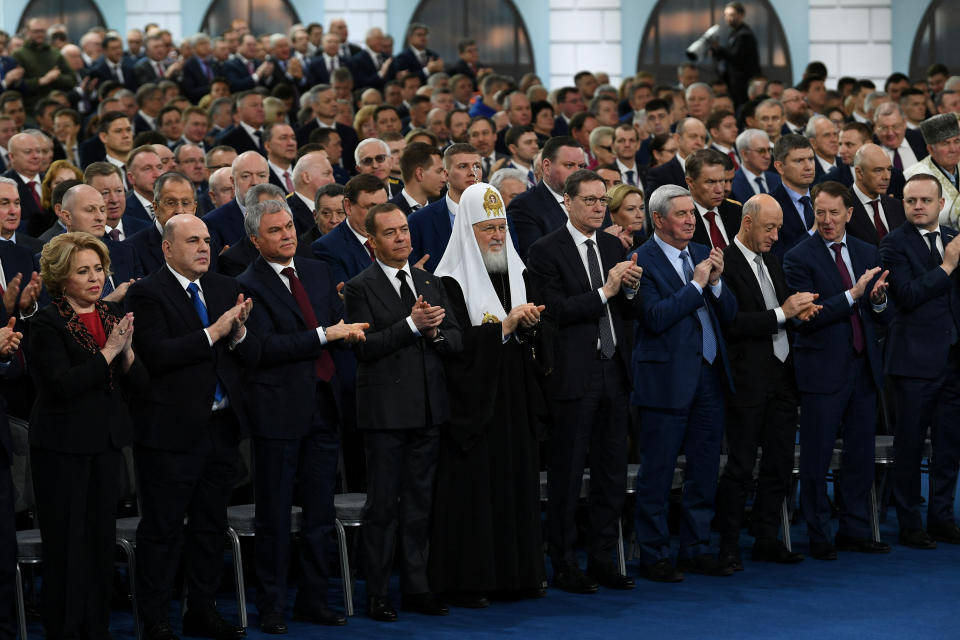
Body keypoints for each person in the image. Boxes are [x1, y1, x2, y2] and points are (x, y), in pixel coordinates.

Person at [236, 198, 367, 633]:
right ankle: (272, 605)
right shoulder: (248, 284)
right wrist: (323, 335)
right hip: (277, 414)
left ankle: (315, 599)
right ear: (256, 240)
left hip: (324, 407)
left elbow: (334, 325)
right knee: (273, 516)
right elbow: (262, 350)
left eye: (290, 226)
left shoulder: (316, 271)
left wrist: (345, 332)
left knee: (318, 514)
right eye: (275, 231)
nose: (287, 235)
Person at [126, 214, 259, 640]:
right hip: (169, 434)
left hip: (220, 428)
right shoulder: (147, 293)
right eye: (192, 241)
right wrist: (214, 331)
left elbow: (242, 353)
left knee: (209, 528)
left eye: (207, 240)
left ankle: (201, 610)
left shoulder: (222, 287)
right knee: (162, 531)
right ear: (167, 248)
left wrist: (236, 335)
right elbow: (157, 355)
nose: (204, 248)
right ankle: (156, 619)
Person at [343, 202, 461, 621]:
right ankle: (376, 593)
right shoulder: (358, 287)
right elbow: (364, 347)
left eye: (405, 231)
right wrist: (412, 326)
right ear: (372, 243)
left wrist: (436, 335)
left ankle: (417, 587)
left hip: (429, 410)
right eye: (391, 233)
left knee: (419, 506)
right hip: (385, 416)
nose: (402, 239)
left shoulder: (430, 280)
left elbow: (456, 339)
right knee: (383, 508)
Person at [430, 182, 547, 605]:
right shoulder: (448, 281)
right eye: (487, 229)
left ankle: (520, 575)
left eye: (501, 227)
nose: (498, 236)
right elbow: (454, 347)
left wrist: (531, 325)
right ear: (467, 232)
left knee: (516, 483)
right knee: (476, 493)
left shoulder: (519, 271)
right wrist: (505, 328)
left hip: (514, 396)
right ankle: (472, 581)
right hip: (473, 405)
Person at [527, 169, 641, 593]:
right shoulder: (545, 251)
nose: (597, 207)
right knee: (568, 474)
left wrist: (630, 291)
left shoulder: (613, 245)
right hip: (574, 374)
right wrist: (607, 292)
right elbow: (552, 309)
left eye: (601, 201)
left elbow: (628, 310)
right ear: (568, 204)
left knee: (612, 473)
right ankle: (564, 563)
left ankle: (603, 559)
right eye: (589, 200)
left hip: (615, 369)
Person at [29, 232, 148, 640]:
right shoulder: (46, 322)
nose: (95, 278)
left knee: (99, 544)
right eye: (83, 271)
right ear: (62, 278)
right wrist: (109, 353)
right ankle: (64, 631)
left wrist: (127, 352)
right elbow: (62, 385)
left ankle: (96, 629)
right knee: (67, 548)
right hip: (62, 449)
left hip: (106, 444)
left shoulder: (112, 317)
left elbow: (141, 385)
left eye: (98, 269)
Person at [631, 184, 738, 581]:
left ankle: (695, 548)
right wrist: (696, 285)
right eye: (682, 214)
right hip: (666, 380)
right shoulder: (639, 259)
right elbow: (656, 318)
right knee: (657, 472)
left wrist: (716, 284)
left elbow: (728, 313)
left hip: (709, 376)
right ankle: (655, 554)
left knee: (705, 469)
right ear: (658, 220)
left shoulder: (701, 253)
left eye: (692, 213)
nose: (691, 220)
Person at [782, 180, 892, 560]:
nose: (826, 220)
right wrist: (852, 296)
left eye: (834, 212)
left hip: (863, 369)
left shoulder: (866, 251)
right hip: (822, 372)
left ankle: (855, 529)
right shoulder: (799, 257)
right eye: (820, 212)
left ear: (849, 213)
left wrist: (876, 301)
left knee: (860, 457)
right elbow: (806, 319)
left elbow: (881, 314)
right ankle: (818, 534)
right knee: (816, 458)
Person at [715, 194, 819, 571]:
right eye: (769, 227)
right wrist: (782, 312)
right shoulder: (723, 264)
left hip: (782, 375)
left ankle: (766, 538)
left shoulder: (772, 261)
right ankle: (727, 545)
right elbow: (732, 324)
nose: (776, 235)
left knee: (778, 463)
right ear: (747, 222)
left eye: (778, 227)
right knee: (741, 466)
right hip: (746, 379)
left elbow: (780, 314)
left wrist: (798, 313)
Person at [879, 173, 960, 548]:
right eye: (911, 201)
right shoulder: (893, 245)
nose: (918, 207)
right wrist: (947, 267)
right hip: (912, 364)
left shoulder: (951, 240)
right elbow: (908, 295)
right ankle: (910, 523)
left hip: (953, 361)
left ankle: (942, 517)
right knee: (909, 447)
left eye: (926, 201)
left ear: (941, 204)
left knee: (948, 446)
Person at [507, 136, 587, 258]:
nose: (578, 173)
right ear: (547, 166)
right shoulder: (523, 206)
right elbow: (535, 260)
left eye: (581, 166)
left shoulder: (596, 201)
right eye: (569, 165)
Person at [408, 143, 481, 272]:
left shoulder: (500, 216)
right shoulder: (419, 221)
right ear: (446, 174)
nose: (472, 172)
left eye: (477, 166)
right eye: (463, 166)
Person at [904, 113, 960, 228]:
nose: (953, 149)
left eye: (957, 141)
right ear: (930, 149)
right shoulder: (916, 174)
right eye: (945, 143)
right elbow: (923, 215)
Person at [846, 143, 906, 245]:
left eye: (889, 169)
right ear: (859, 172)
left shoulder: (897, 206)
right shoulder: (842, 207)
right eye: (878, 170)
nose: (887, 177)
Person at [685, 148, 742, 250]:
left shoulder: (737, 212)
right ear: (690, 182)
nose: (720, 190)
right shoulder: (681, 219)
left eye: (722, 181)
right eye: (711, 182)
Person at [769, 134, 817, 256]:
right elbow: (776, 258)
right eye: (799, 161)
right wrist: (813, 232)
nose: (808, 167)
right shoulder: (770, 207)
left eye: (811, 159)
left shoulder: (825, 196)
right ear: (780, 167)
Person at [605, 183, 647, 251]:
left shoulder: (648, 245)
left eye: (641, 208)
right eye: (631, 209)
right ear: (611, 215)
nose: (640, 215)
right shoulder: (599, 245)